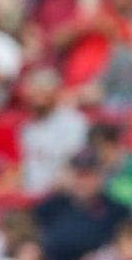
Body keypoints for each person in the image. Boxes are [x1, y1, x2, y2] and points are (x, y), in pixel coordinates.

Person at [34, 149, 132, 260]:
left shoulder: (116, 211)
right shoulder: (53, 206)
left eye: (89, 175)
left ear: (100, 176)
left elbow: (126, 250)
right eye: (79, 175)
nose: (83, 182)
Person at [18, 67, 88, 195]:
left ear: (54, 92)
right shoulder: (26, 128)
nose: (37, 97)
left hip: (62, 194)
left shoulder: (73, 122)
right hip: (29, 194)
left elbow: (74, 162)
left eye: (42, 91)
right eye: (34, 93)